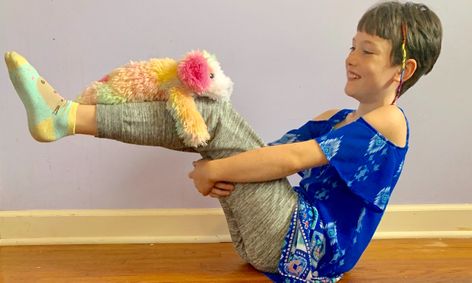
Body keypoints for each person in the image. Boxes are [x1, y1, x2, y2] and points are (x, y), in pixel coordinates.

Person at [5, 1, 442, 282]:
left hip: (307, 247)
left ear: (403, 71)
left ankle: (65, 117)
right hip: (268, 244)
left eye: (367, 51)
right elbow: (261, 153)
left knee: (212, 116)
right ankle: (67, 115)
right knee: (211, 120)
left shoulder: (390, 121)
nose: (350, 58)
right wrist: (219, 165)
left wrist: (213, 170)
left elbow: (289, 159)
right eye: (352, 46)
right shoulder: (336, 118)